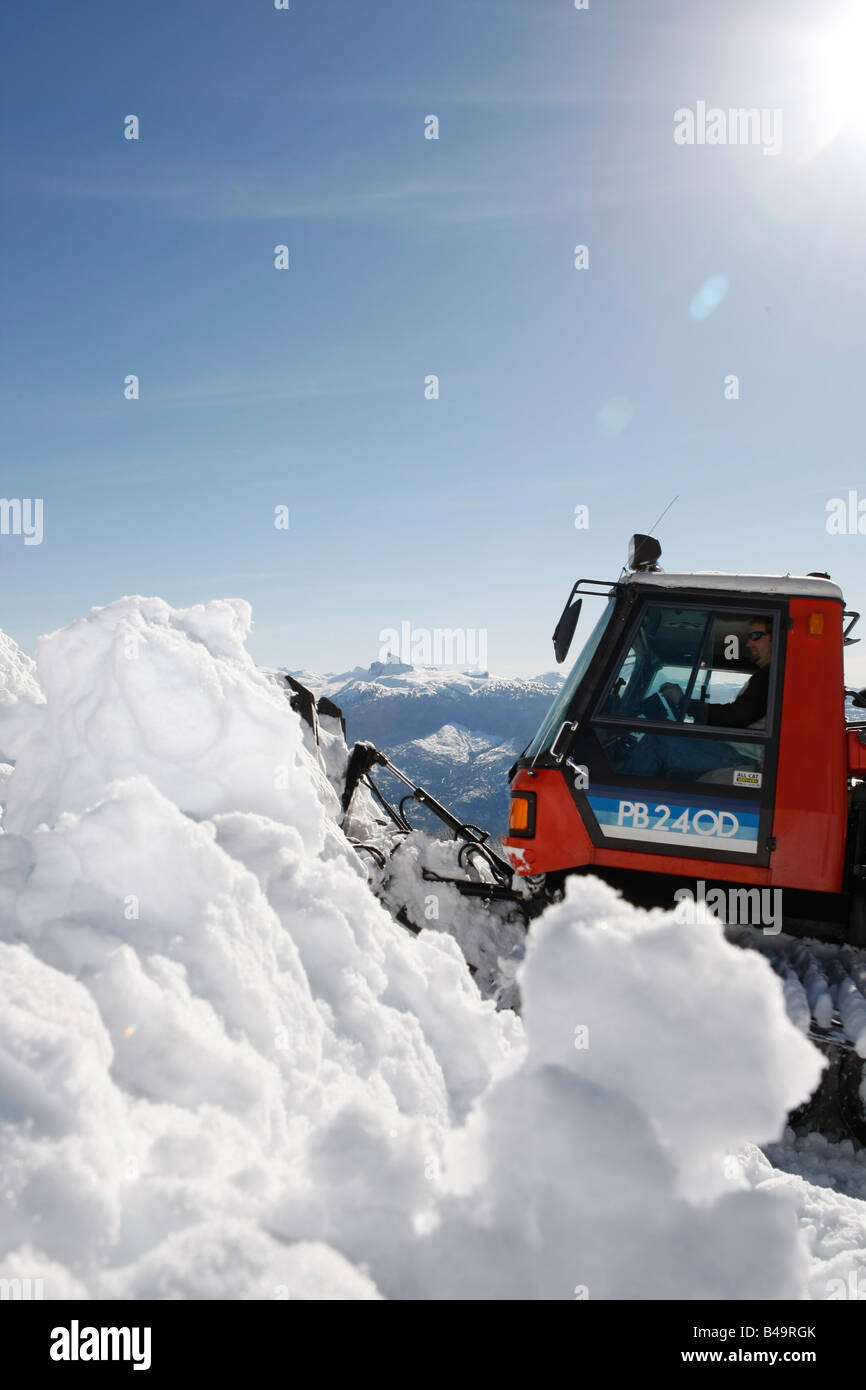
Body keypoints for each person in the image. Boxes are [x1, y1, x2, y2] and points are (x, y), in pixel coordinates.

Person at [620, 617, 772, 779]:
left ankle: (615, 797)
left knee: (657, 742)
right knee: (669, 735)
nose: (749, 644)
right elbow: (737, 715)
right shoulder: (767, 677)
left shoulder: (768, 676)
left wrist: (684, 702)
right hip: (735, 750)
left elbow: (734, 717)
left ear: (775, 639)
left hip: (741, 756)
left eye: (755, 636)